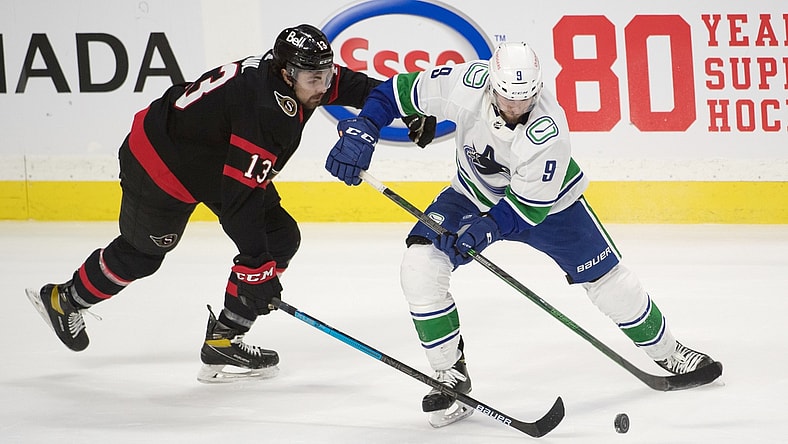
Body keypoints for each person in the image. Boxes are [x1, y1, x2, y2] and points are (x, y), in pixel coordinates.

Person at [325, 42, 719, 426]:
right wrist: (364, 128)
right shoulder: (467, 82)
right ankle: (450, 374)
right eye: (507, 98)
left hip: (550, 207)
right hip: (472, 194)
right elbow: (392, 93)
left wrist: (483, 232)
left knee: (610, 282)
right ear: (492, 85)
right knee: (419, 266)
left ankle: (670, 352)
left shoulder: (549, 133)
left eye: (525, 99)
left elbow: (526, 209)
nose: (515, 109)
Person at [25, 24, 432, 383]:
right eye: (314, 78)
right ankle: (64, 299)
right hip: (161, 161)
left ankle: (224, 339)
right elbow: (240, 202)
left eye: (327, 73)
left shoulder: (297, 77)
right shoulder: (265, 111)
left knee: (279, 238)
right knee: (143, 255)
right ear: (286, 73)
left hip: (215, 155)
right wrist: (254, 265)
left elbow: (359, 87)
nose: (324, 86)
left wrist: (405, 109)